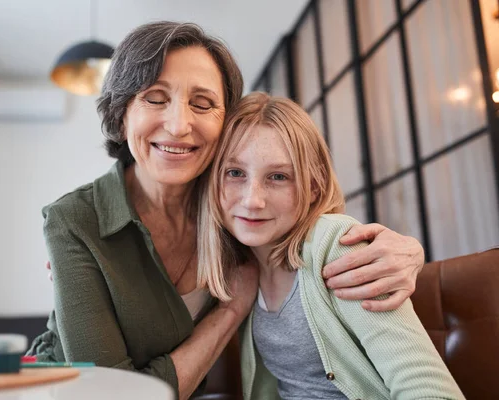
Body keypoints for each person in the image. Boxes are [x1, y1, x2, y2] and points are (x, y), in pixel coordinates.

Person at [29, 21, 426, 400]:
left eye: (202, 104)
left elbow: (309, 225)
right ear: (122, 112)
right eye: (155, 97)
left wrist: (408, 250)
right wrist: (231, 310)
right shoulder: (76, 221)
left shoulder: (232, 205)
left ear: (226, 124)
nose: (180, 124)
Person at [197, 92, 464, 399]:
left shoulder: (336, 246)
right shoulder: (240, 267)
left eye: (278, 176)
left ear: (314, 186)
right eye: (235, 173)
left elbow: (428, 389)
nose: (252, 200)